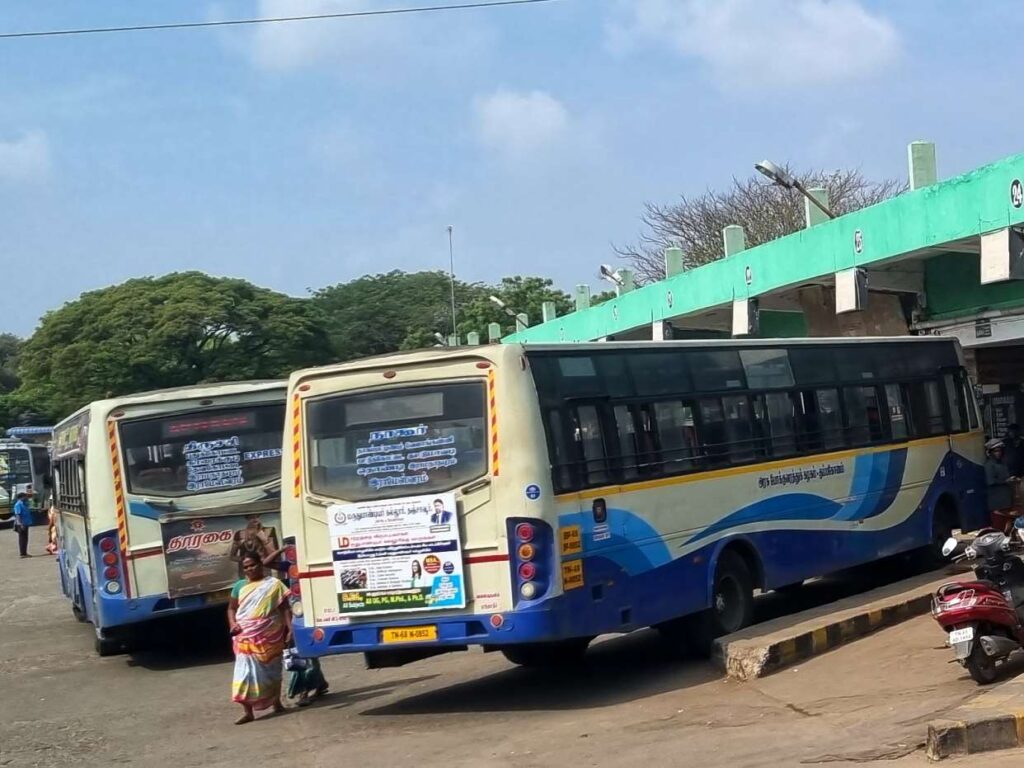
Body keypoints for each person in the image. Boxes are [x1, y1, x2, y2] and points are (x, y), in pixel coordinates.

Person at [227, 554, 292, 724]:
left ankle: (276, 703)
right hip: (245, 634)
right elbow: (231, 609)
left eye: (252, 565)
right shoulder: (239, 586)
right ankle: (248, 712)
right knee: (245, 672)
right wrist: (233, 623)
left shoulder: (274, 584)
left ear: (260, 565)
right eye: (246, 567)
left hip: (270, 633)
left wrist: (290, 629)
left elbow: (285, 608)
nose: (250, 569)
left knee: (272, 669)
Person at [985, 439, 1015, 516]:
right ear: (990, 452)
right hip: (997, 503)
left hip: (1006, 500)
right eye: (996, 451)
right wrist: (1006, 481)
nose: (998, 453)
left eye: (1000, 451)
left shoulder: (1003, 464)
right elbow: (990, 481)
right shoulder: (989, 465)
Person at [12, 492, 32, 558]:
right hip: (21, 524)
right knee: (22, 539)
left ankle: (24, 552)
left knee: (25, 538)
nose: (26, 498)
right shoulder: (18, 505)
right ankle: (22, 554)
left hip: (25, 523)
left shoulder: (24, 504)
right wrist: (21, 524)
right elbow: (18, 515)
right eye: (25, 496)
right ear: (21, 497)